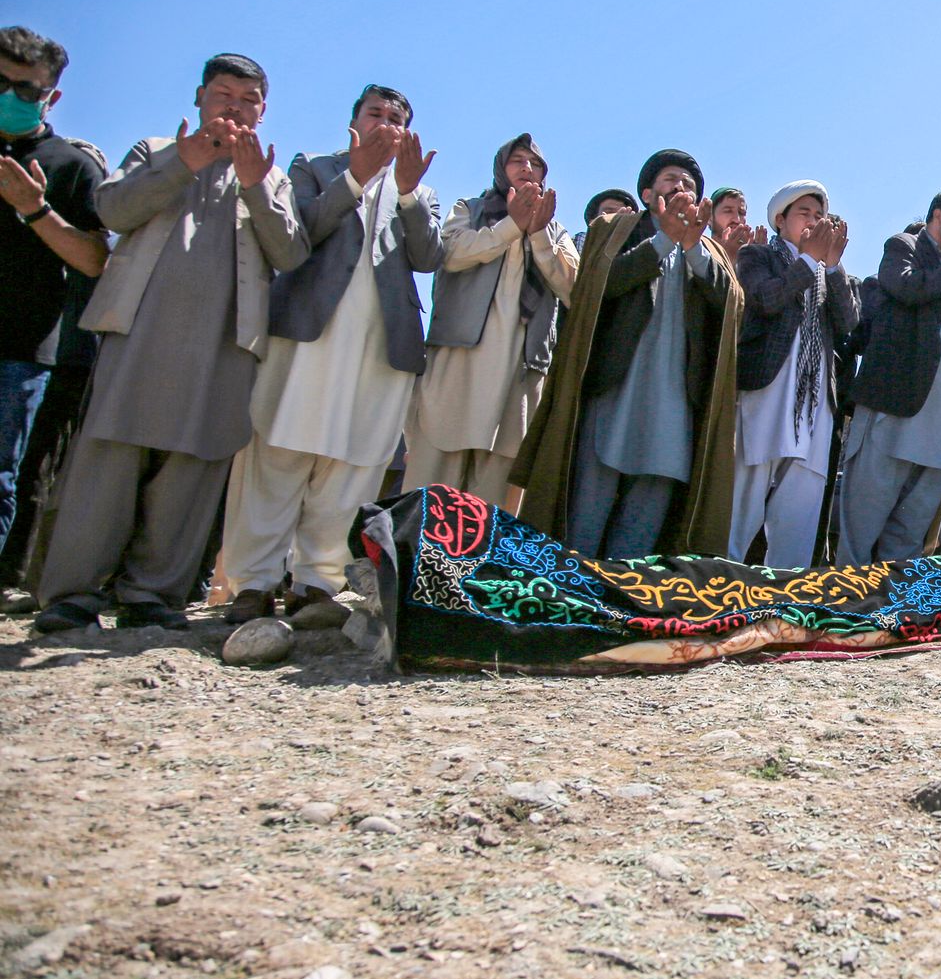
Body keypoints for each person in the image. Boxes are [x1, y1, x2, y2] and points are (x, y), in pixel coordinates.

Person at [35, 54, 308, 633]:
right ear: (200, 97)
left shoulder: (271, 174)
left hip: (223, 347)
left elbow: (289, 254)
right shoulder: (155, 149)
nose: (234, 106)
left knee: (191, 468)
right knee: (108, 461)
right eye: (223, 93)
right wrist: (183, 163)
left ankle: (151, 594)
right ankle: (74, 594)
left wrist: (257, 186)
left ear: (263, 110)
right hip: (139, 333)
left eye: (249, 98)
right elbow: (110, 209)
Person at [220, 84, 442, 625]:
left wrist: (408, 194)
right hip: (304, 338)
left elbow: (428, 255)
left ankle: (316, 583)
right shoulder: (313, 168)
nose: (384, 122)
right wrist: (355, 178)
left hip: (380, 348)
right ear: (354, 121)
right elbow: (300, 233)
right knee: (277, 455)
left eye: (395, 116)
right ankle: (253, 583)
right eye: (375, 113)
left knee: (353, 464)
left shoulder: (418, 190)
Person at [510, 149, 738, 560]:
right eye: (671, 180)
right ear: (648, 193)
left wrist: (692, 248)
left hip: (675, 403)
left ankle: (623, 604)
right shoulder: (615, 229)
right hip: (616, 388)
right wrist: (663, 241)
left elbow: (730, 305)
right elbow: (598, 287)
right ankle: (573, 595)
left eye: (688, 184)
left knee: (646, 516)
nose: (680, 187)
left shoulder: (711, 252)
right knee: (587, 511)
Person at [403, 134, 577, 505]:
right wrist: (510, 227)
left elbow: (573, 288)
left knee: (495, 494)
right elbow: (450, 253)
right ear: (501, 168)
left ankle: (481, 565)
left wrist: (539, 236)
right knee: (434, 482)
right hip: (460, 361)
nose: (526, 168)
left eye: (534, 163)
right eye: (517, 160)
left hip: (519, 371)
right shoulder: (471, 208)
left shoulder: (556, 229)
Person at [835, 190, 941, 563]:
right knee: (866, 511)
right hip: (896, 404)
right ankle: (848, 596)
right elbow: (905, 287)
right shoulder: (903, 246)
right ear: (937, 216)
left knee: (914, 520)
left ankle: (894, 599)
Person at [0, 27, 107, 567]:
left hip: (19, 351)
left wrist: (35, 209)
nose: (9, 96)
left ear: (51, 97)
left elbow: (95, 260)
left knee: (5, 475)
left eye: (25, 90)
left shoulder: (70, 165)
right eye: (0, 82)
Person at [729, 181, 857, 566]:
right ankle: (725, 571)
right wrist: (806, 262)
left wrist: (830, 266)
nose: (814, 221)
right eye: (805, 214)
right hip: (770, 387)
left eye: (820, 216)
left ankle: (785, 587)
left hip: (815, 397)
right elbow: (765, 300)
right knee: (747, 487)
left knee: (802, 494)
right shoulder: (757, 256)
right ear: (780, 220)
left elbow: (849, 321)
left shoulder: (829, 271)